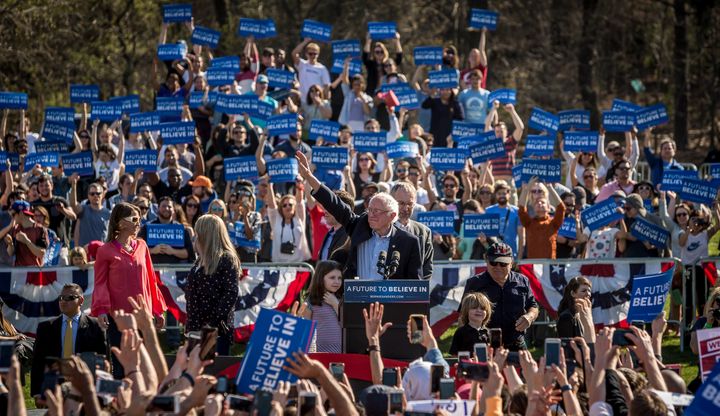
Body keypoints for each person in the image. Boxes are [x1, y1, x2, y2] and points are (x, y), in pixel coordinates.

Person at [297, 151, 423, 280]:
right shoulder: (360, 225)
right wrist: (308, 176)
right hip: (357, 299)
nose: (371, 214)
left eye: (377, 211)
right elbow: (334, 203)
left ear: (392, 215)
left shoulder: (409, 241)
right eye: (370, 210)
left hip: (389, 299)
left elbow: (414, 285)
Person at [91, 202, 167, 376]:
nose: (139, 222)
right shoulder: (105, 251)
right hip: (119, 319)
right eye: (134, 219)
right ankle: (121, 401)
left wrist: (157, 309)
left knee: (145, 365)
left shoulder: (142, 246)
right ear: (120, 223)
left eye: (139, 219)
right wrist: (102, 310)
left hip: (143, 317)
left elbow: (150, 280)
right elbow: (100, 283)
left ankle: (146, 401)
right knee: (121, 366)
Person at [31, 283, 106, 400]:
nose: (63, 301)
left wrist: (104, 390)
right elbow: (38, 362)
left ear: (81, 301)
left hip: (86, 386)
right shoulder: (46, 327)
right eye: (61, 298)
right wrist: (36, 393)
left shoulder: (96, 326)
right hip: (54, 387)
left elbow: (104, 360)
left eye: (69, 298)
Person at [459, 241, 539, 350]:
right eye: (493, 262)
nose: (498, 267)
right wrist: (464, 345)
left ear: (511, 263)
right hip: (484, 345)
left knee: (526, 367)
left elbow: (533, 306)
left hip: (516, 343)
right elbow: (462, 316)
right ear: (486, 261)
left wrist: (529, 317)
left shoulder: (522, 281)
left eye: (503, 263)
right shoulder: (475, 283)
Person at [185, 214, 241, 356]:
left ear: (207, 235)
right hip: (195, 327)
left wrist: (210, 325)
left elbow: (230, 294)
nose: (195, 238)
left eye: (198, 233)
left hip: (215, 331)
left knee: (214, 373)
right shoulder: (198, 261)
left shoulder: (226, 259)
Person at [390, 181, 433, 279]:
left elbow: (427, 269)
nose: (406, 208)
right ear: (391, 202)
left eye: (410, 204)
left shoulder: (424, 232)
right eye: (401, 203)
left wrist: (420, 290)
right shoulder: (382, 229)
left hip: (414, 291)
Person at [518, 177, 566, 259]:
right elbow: (521, 209)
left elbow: (561, 208)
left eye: (543, 202)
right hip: (533, 266)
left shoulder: (554, 223)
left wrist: (550, 188)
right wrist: (526, 189)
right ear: (533, 207)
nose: (539, 203)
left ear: (548, 207)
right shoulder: (529, 223)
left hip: (549, 265)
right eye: (537, 203)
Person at [302, 260, 343, 353]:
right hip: (318, 350)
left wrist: (335, 304)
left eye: (339, 278)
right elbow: (306, 328)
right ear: (321, 278)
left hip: (339, 351)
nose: (337, 281)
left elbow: (346, 322)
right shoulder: (311, 300)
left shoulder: (341, 300)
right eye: (332, 277)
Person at [69, 178, 111, 247]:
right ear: (88, 196)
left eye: (98, 193)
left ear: (103, 195)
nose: (95, 195)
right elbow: (73, 204)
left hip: (101, 253)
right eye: (92, 194)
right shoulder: (83, 209)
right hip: (85, 253)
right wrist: (74, 185)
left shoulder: (108, 213)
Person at [5, 200, 48, 266]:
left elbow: (41, 253)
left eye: (13, 214)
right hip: (19, 271)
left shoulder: (40, 229)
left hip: (35, 271)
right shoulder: (15, 228)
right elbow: (10, 253)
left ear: (21, 213)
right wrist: (10, 244)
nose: (12, 217)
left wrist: (26, 241)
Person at [556, 276, 596, 342]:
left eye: (589, 291)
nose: (588, 294)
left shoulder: (586, 313)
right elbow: (568, 345)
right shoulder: (566, 317)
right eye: (584, 291)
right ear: (573, 293)